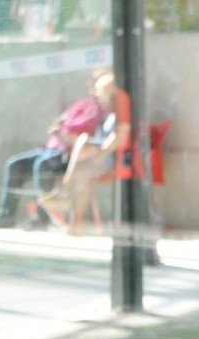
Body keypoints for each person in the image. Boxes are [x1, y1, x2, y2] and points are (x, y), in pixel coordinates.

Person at [0, 67, 110, 229]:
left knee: (42, 165)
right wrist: (59, 129)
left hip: (70, 154)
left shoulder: (102, 111)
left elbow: (94, 140)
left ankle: (42, 217)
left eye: (95, 84)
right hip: (52, 148)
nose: (92, 88)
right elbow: (61, 120)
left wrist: (69, 137)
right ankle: (6, 216)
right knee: (15, 164)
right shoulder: (82, 105)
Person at [38, 72, 130, 235]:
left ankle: (65, 189)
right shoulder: (109, 115)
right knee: (82, 172)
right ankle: (76, 221)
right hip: (97, 157)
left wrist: (101, 154)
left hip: (112, 159)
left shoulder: (119, 111)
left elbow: (119, 138)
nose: (99, 99)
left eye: (102, 95)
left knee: (82, 144)